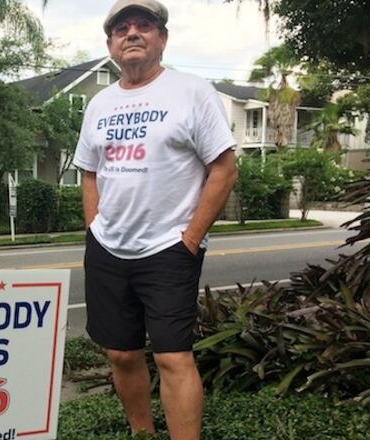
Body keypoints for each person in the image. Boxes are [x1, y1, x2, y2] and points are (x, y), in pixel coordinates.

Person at [72, 1, 239, 438]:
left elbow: (223, 168)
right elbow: (88, 171)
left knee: (172, 357)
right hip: (108, 248)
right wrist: (93, 228)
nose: (132, 33)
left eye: (144, 25)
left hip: (168, 248)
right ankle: (141, 434)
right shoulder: (99, 104)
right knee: (121, 354)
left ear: (161, 39)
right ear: (110, 43)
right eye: (121, 27)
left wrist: (191, 238)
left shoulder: (192, 91)